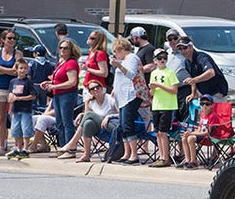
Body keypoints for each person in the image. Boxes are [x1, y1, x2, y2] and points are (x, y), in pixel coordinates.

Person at [110, 37, 148, 165]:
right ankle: (127, 154)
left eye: (116, 51)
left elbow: (131, 75)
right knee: (123, 125)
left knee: (127, 124)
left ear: (121, 49)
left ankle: (134, 155)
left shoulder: (132, 58)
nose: (115, 54)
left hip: (131, 95)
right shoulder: (124, 60)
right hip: (122, 97)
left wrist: (118, 65)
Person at [44, 39, 81, 151]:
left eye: (66, 48)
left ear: (71, 50)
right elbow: (59, 80)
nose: (63, 50)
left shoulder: (71, 63)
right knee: (59, 122)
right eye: (61, 48)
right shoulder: (61, 63)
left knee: (67, 122)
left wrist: (54, 87)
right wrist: (49, 83)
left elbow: (72, 82)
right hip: (58, 95)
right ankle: (62, 146)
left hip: (67, 95)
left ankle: (70, 148)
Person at [72, 79, 118, 163]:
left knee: (90, 115)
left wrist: (109, 116)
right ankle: (86, 155)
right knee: (87, 123)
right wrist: (81, 114)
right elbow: (86, 115)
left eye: (97, 87)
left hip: (113, 127)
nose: (96, 90)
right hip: (100, 129)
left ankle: (73, 143)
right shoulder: (90, 102)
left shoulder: (110, 99)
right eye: (92, 89)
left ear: (102, 88)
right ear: (90, 92)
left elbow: (121, 114)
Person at [147, 50, 180, 168]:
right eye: (160, 58)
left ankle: (165, 158)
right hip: (156, 105)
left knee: (163, 132)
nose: (162, 60)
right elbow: (151, 93)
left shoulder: (170, 72)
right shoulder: (153, 73)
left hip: (167, 105)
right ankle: (161, 156)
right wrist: (152, 89)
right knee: (158, 132)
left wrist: (159, 85)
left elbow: (174, 90)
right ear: (155, 60)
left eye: (164, 58)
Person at [0, 29, 23, 156]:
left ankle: (18, 146)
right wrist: (5, 70)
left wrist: (0, 68)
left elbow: (15, 71)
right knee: (1, 118)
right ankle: (2, 145)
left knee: (14, 116)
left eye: (14, 38)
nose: (12, 40)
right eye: (9, 38)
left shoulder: (18, 54)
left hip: (13, 87)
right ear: (3, 40)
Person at [177, 36, 229, 101]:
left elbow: (211, 72)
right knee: (203, 110)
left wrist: (193, 80)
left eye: (185, 48)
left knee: (216, 111)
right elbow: (193, 79)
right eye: (180, 49)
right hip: (205, 94)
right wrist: (193, 94)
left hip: (217, 93)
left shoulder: (202, 57)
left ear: (191, 47)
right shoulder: (187, 62)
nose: (182, 51)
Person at [7, 60, 35, 159]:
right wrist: (11, 105)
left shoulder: (28, 82)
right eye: (21, 68)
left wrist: (19, 98)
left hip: (25, 109)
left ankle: (25, 148)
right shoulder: (13, 82)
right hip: (15, 109)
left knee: (26, 128)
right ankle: (17, 148)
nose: (23, 70)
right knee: (15, 129)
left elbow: (33, 96)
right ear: (16, 69)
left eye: (25, 68)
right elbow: (10, 93)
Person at [179, 94, 215, 169]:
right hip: (202, 136)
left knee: (190, 138)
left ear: (211, 106)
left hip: (210, 137)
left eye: (207, 104)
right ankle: (187, 160)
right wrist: (189, 133)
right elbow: (199, 129)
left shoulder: (213, 116)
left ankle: (194, 162)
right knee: (184, 137)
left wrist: (191, 133)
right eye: (202, 104)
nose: (204, 106)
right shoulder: (202, 115)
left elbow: (207, 132)